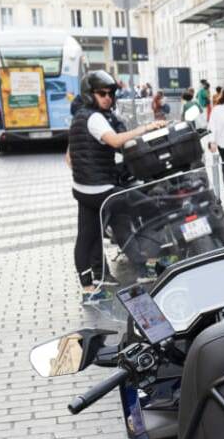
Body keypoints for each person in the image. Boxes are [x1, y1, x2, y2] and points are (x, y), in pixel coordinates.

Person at [67, 70, 167, 298]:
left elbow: (69, 158)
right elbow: (114, 141)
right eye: (102, 93)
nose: (107, 98)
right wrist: (146, 128)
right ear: (90, 95)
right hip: (102, 190)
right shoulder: (94, 117)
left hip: (83, 191)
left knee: (87, 236)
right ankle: (149, 263)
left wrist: (86, 171)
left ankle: (89, 287)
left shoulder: (79, 118)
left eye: (110, 93)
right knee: (153, 208)